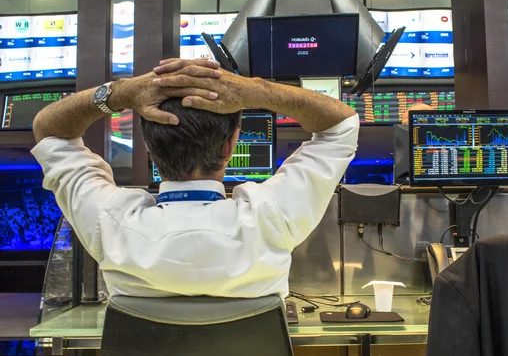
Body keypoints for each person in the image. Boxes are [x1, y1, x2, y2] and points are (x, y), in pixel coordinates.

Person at [31, 59, 359, 298]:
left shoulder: (109, 221)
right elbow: (341, 125)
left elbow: (49, 132)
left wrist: (122, 92)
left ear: (148, 145)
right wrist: (256, 90)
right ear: (231, 145)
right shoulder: (270, 215)